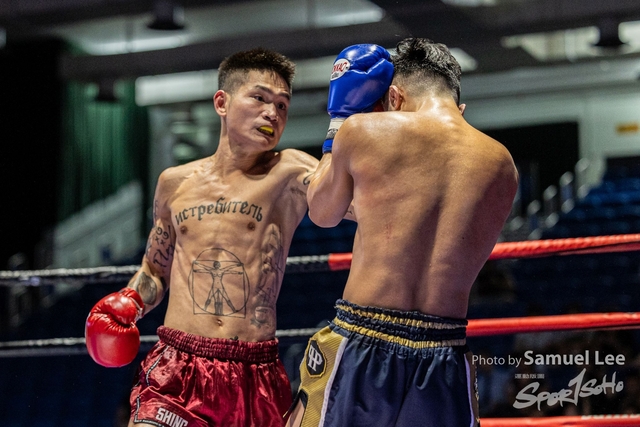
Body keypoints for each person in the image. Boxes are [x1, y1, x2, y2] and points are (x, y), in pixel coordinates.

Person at [287, 38, 519, 427]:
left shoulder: (364, 130)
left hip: (364, 341)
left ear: (394, 97)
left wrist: (340, 120)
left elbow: (322, 211)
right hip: (446, 351)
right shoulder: (502, 164)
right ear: (459, 107)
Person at [85, 47, 320, 427]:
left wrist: (351, 128)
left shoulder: (290, 172)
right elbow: (155, 269)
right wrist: (131, 302)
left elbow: (356, 205)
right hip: (178, 366)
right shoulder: (174, 183)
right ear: (222, 103)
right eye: (260, 98)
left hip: (254, 373)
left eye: (282, 105)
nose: (272, 113)